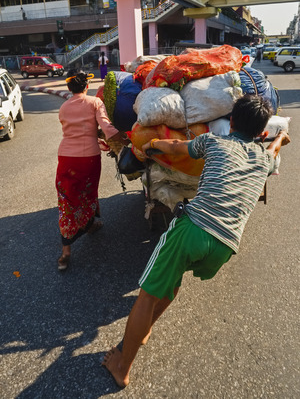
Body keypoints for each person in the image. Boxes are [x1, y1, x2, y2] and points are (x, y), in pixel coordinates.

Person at [102, 94, 290, 387]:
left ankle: (122, 366)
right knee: (173, 280)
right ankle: (146, 328)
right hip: (226, 246)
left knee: (148, 293)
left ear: (230, 122)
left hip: (193, 229)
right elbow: (275, 151)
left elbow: (177, 147)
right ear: (262, 133)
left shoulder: (215, 142)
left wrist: (151, 145)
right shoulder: (266, 158)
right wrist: (279, 140)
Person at [56, 69, 128, 270]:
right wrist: (125, 140)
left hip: (66, 158)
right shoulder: (95, 103)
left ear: (69, 88)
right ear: (86, 86)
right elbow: (107, 128)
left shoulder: (63, 107)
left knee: (67, 199)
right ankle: (89, 225)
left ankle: (65, 252)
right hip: (88, 158)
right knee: (87, 194)